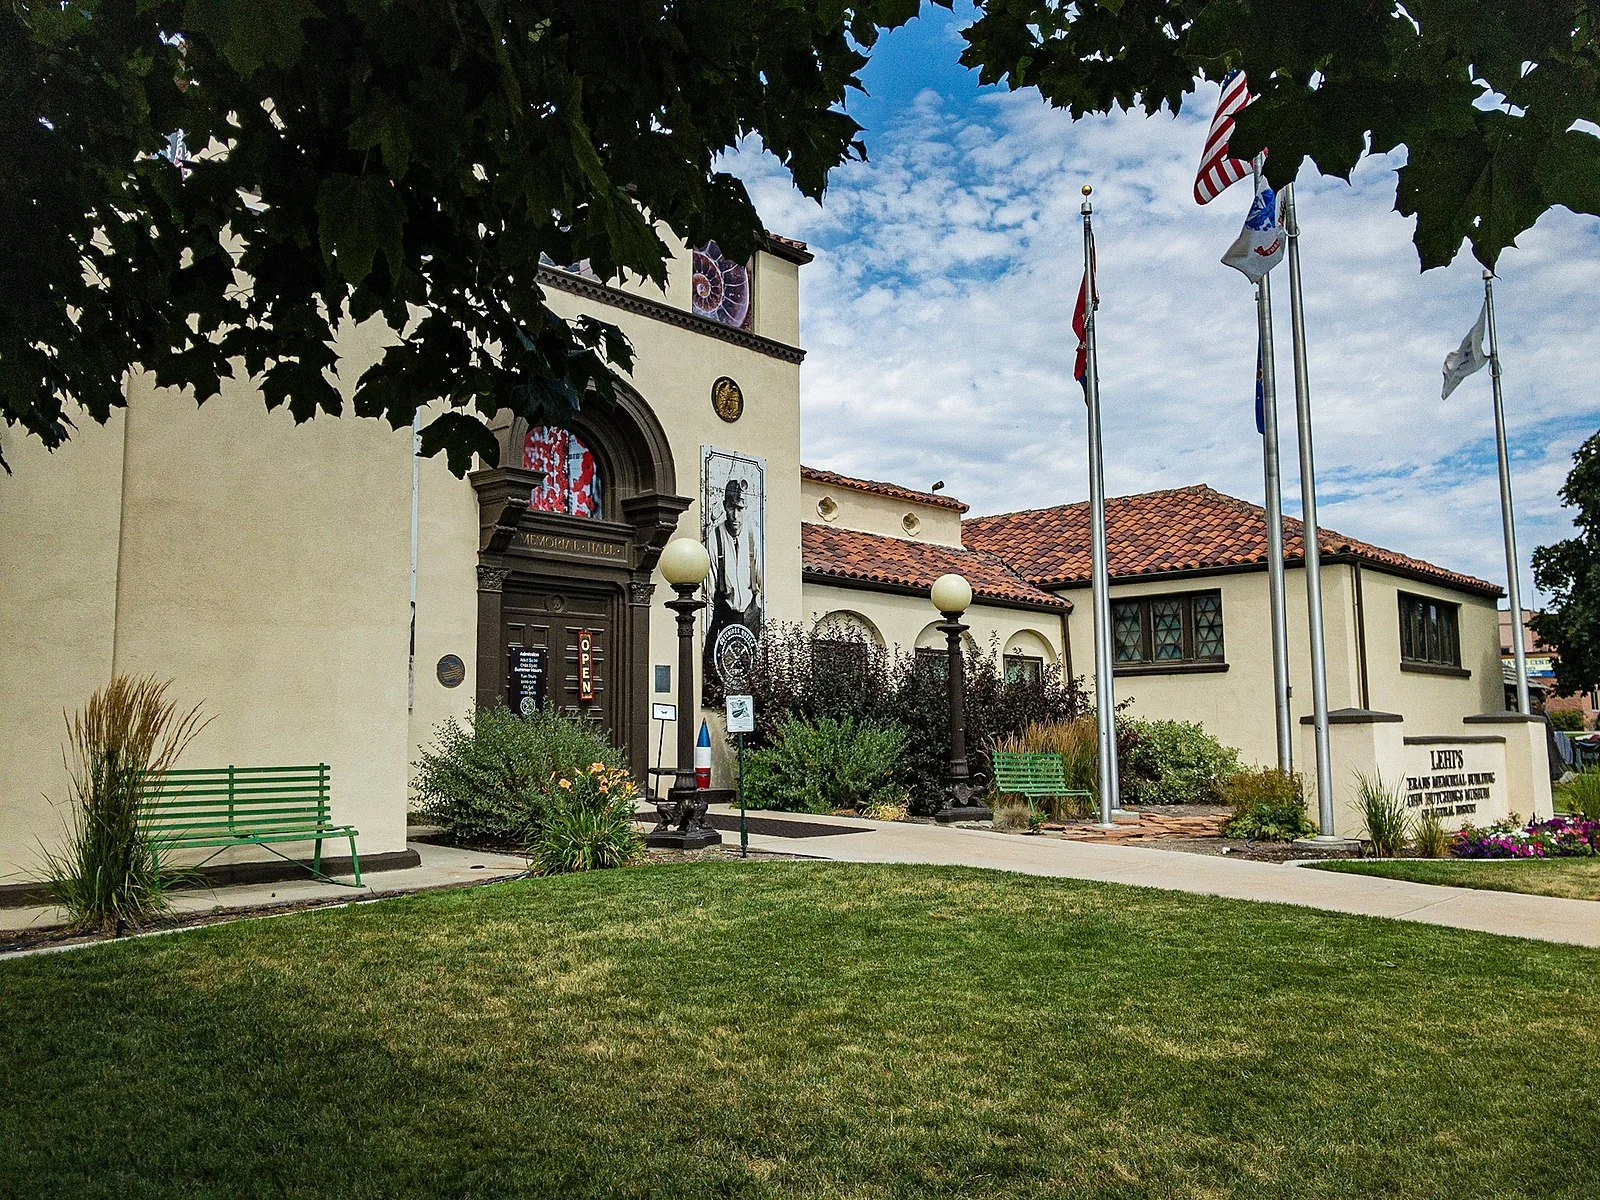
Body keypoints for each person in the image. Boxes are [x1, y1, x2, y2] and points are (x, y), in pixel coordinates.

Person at [705, 476, 763, 685]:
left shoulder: (753, 535)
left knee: (750, 669)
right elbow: (708, 588)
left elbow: (760, 579)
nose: (735, 515)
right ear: (725, 506)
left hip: (750, 612)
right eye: (731, 508)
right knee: (715, 665)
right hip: (724, 611)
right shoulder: (715, 537)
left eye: (740, 508)